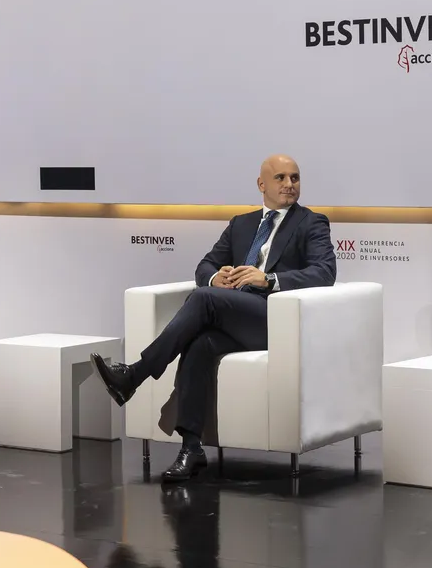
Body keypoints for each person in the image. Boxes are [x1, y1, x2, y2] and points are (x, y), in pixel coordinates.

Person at [90, 155, 336, 481]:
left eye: (295, 178)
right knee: (200, 343)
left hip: (275, 318)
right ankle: (191, 448)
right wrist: (215, 277)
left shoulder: (311, 222)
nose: (289, 184)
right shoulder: (241, 224)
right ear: (261, 184)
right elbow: (204, 266)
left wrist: (269, 279)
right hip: (235, 314)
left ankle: (135, 374)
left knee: (204, 300)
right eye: (280, 178)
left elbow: (325, 272)